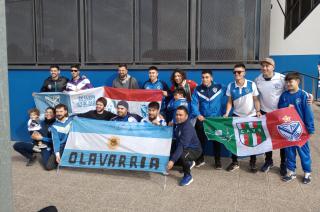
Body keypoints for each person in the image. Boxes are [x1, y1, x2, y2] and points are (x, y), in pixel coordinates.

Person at [255, 57, 313, 176]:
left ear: (273, 67)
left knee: (284, 140)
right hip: (266, 114)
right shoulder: (257, 80)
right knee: (267, 139)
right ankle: (268, 161)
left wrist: (309, 95)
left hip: (282, 115)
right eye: (263, 66)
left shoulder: (281, 78)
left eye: (268, 65)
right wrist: (257, 110)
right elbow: (255, 96)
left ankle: (283, 164)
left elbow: (294, 88)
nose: (265, 68)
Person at [224, 63, 261, 173]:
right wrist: (226, 113)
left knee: (252, 140)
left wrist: (258, 111)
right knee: (235, 140)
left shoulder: (251, 84)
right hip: (237, 116)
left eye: (239, 72)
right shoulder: (231, 85)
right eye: (234, 72)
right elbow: (229, 102)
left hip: (251, 116)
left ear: (244, 73)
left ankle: (252, 163)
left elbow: (256, 100)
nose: (236, 74)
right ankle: (235, 162)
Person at [278, 72, 314, 184]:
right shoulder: (284, 95)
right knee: (290, 152)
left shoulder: (304, 95)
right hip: (288, 129)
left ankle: (307, 173)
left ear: (297, 82)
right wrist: (286, 107)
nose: (288, 84)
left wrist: (310, 128)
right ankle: (291, 172)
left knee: (304, 152)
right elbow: (279, 109)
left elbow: (308, 113)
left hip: (301, 130)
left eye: (291, 81)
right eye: (287, 82)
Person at [191, 70, 227, 169]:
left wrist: (225, 112)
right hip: (203, 119)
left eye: (207, 77)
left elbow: (230, 97)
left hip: (216, 120)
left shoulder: (220, 87)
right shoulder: (198, 89)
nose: (204, 79)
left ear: (211, 78)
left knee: (217, 141)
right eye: (203, 77)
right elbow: (194, 103)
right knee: (200, 140)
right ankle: (200, 159)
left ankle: (217, 161)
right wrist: (198, 114)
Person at [167, 106, 202, 186]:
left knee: (182, 156)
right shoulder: (179, 124)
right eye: (177, 114)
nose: (178, 117)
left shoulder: (187, 128)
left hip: (194, 150)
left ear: (186, 116)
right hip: (185, 148)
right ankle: (189, 163)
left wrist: (172, 160)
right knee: (171, 158)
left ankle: (188, 176)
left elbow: (181, 146)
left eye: (180, 115)